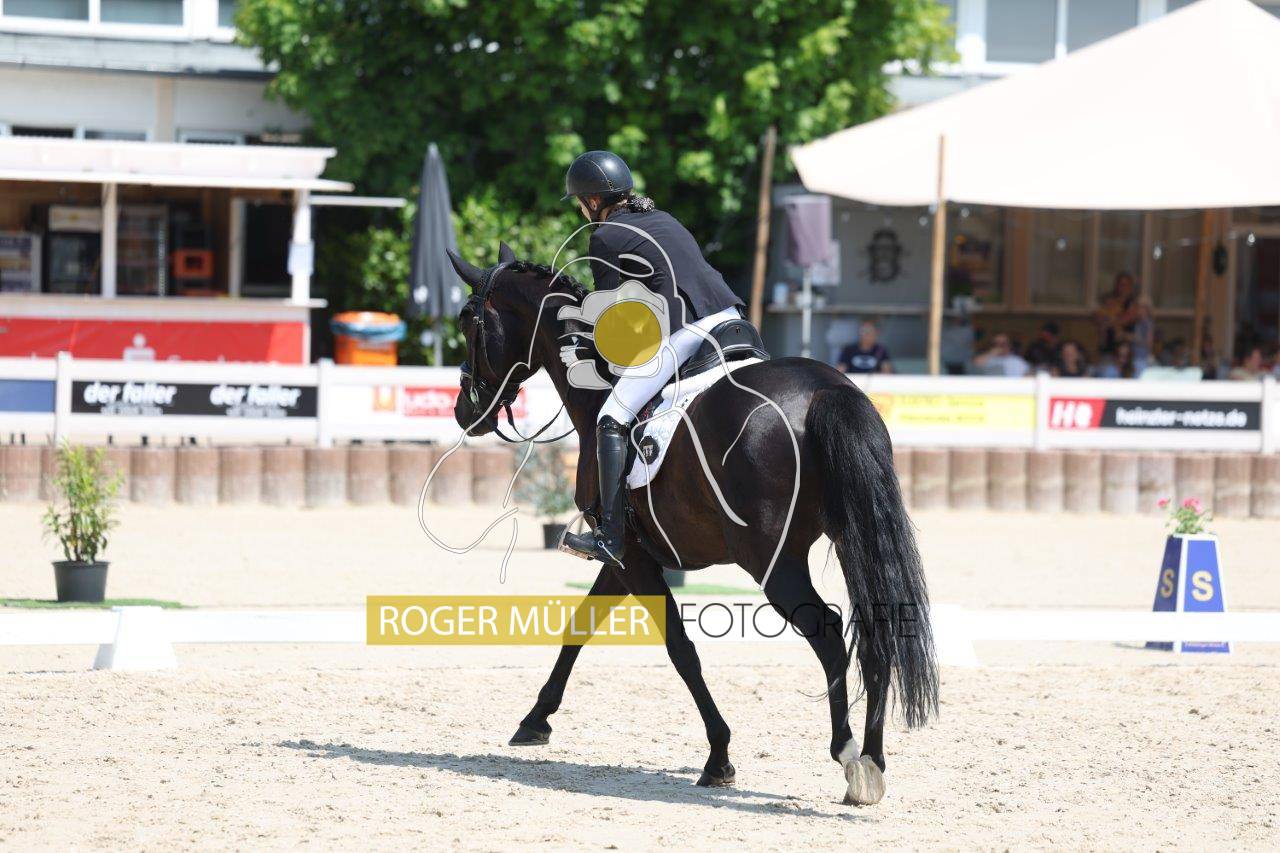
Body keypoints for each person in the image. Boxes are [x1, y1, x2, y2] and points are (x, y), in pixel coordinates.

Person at [558, 150, 746, 565]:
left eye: (580, 203)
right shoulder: (665, 219)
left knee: (612, 416)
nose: (581, 211)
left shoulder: (605, 237)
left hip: (688, 332)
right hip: (731, 319)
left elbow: (615, 316)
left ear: (592, 200)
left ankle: (609, 536)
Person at [1096, 271, 1139, 354]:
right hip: (1109, 342)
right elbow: (1100, 315)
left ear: (1130, 286)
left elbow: (1127, 319)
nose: (1122, 288)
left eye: (1125, 285)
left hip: (1126, 343)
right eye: (1120, 284)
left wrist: (1112, 321)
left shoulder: (1133, 303)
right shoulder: (1110, 300)